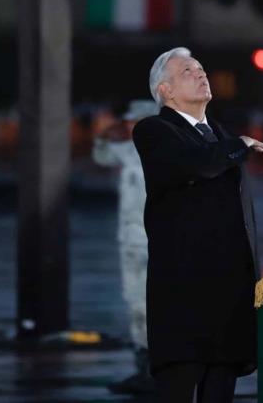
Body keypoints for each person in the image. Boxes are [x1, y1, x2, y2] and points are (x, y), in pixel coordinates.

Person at [132, 47, 263, 403]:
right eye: (188, 71)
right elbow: (195, 164)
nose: (201, 74)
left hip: (228, 302)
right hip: (185, 305)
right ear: (166, 91)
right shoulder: (155, 130)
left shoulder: (222, 135)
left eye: (202, 68)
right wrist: (237, 146)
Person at [92, 99, 158, 394]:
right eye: (129, 121)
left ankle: (159, 372)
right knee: (135, 306)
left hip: (155, 243)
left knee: (154, 307)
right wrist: (106, 133)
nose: (131, 125)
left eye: (136, 121)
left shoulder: (162, 153)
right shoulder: (130, 150)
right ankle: (142, 369)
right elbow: (102, 156)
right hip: (130, 243)